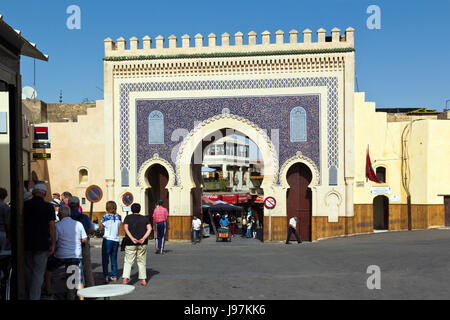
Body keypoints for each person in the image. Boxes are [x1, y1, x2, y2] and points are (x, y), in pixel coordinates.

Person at [44, 206, 87, 300]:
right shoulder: (78, 224)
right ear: (69, 214)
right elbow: (84, 239)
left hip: (61, 255)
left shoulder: (57, 225)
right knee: (77, 278)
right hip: (75, 255)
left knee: (49, 268)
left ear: (60, 215)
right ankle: (81, 298)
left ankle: (48, 289)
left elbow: (54, 239)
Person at [23, 183, 56, 300]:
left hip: (26, 243)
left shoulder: (24, 205)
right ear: (45, 194)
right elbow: (52, 226)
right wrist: (53, 243)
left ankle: (28, 294)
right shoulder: (48, 207)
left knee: (28, 271)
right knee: (38, 273)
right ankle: (34, 297)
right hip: (42, 244)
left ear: (32, 193)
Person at [122, 203, 152, 286]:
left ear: (131, 210)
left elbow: (125, 228)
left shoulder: (128, 217)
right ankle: (143, 280)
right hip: (142, 243)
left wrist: (132, 238)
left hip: (130, 242)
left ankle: (125, 279)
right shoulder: (144, 218)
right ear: (140, 209)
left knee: (128, 261)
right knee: (141, 261)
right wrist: (143, 238)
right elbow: (149, 229)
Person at [68, 196, 95, 287]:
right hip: (84, 243)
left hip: (70, 244)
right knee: (86, 266)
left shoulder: (66, 217)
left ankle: (72, 291)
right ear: (78, 204)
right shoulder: (84, 217)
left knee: (72, 267)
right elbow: (91, 230)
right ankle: (90, 288)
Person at [101, 201, 121, 283]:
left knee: (105, 259)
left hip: (107, 239)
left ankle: (106, 276)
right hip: (116, 239)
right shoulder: (119, 216)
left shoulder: (105, 216)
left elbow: (102, 226)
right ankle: (114, 276)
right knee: (114, 258)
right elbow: (119, 226)